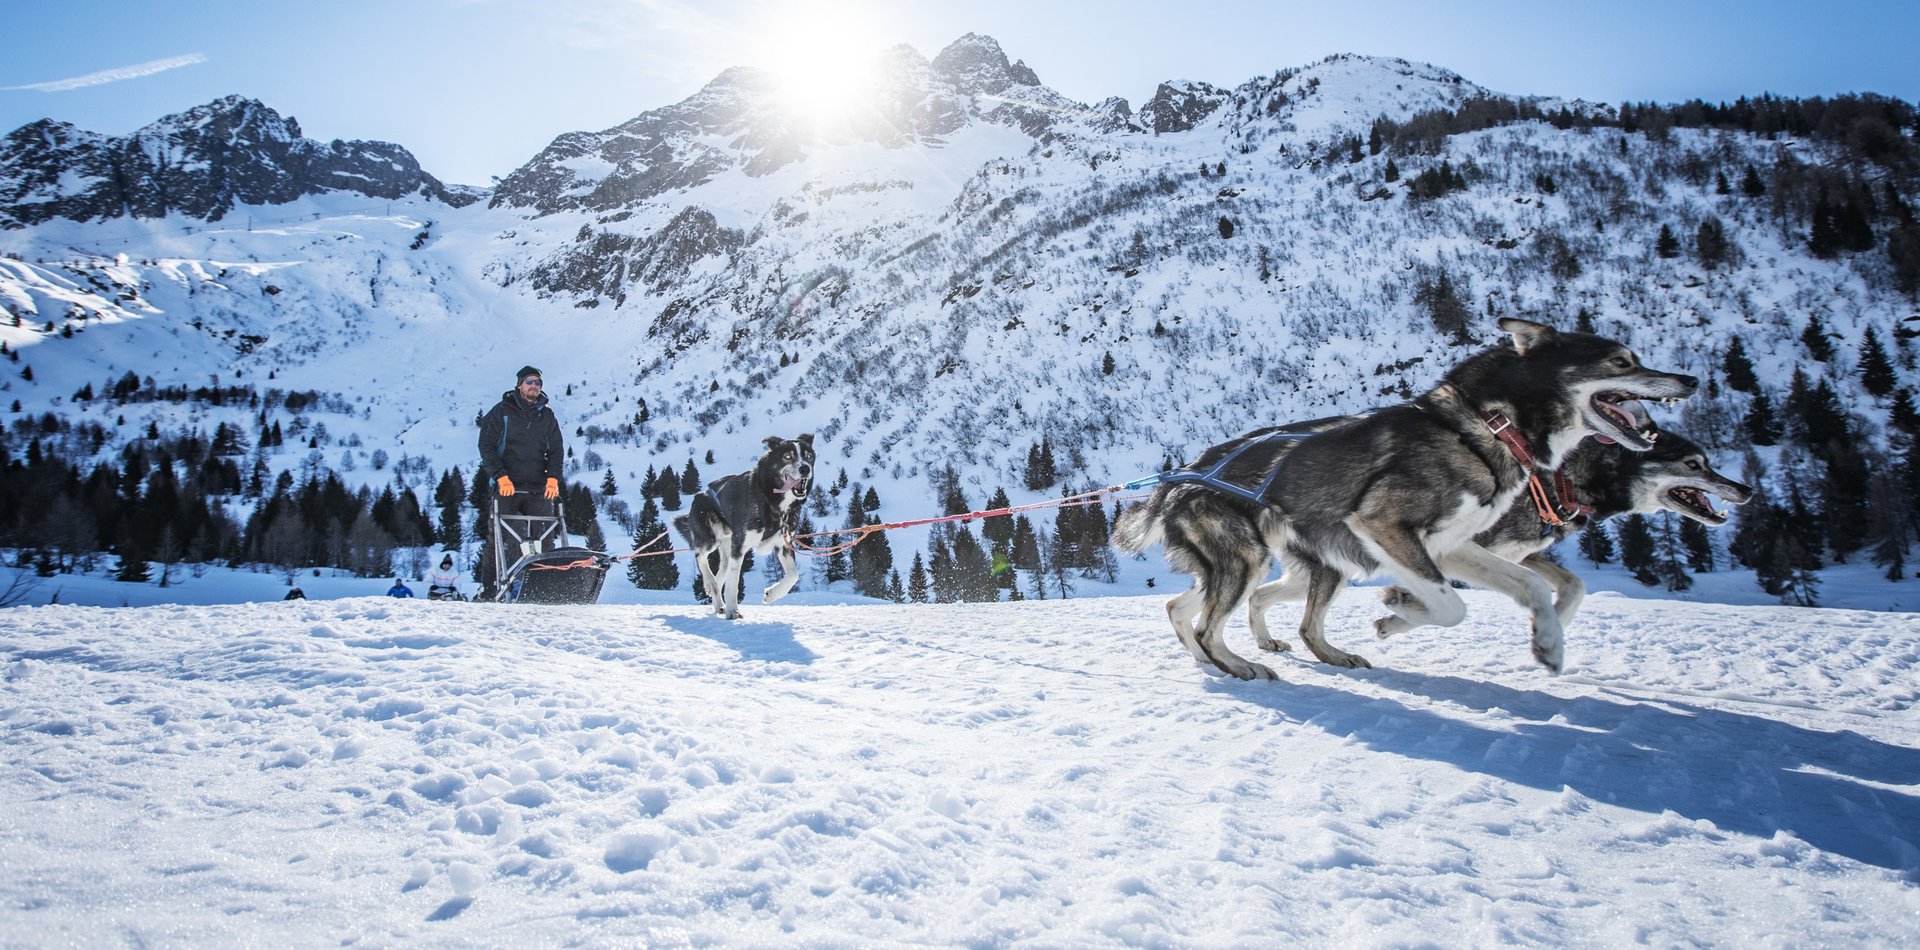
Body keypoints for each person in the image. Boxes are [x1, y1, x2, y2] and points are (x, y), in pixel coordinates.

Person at [478, 364, 565, 595]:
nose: (534, 386)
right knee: (498, 537)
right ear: (519, 385)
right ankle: (490, 589)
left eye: (538, 382)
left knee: (545, 538)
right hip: (508, 485)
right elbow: (486, 445)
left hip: (538, 487)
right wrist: (500, 476)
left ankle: (546, 588)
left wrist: (553, 479)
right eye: (530, 381)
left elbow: (556, 449)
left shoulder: (546, 415)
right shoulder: (502, 411)